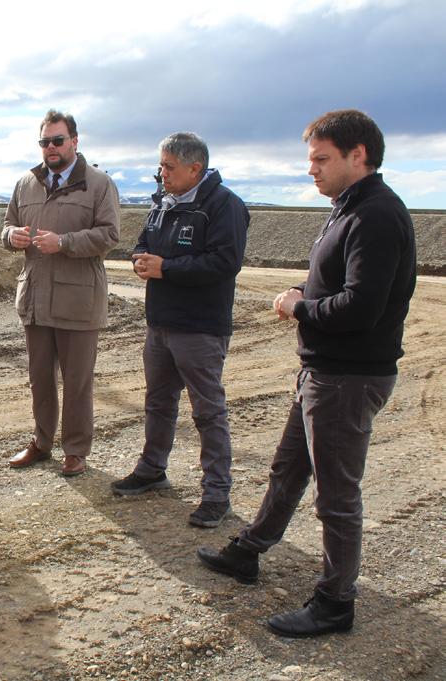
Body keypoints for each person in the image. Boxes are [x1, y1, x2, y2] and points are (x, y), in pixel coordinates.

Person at [197, 110, 417, 637]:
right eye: (311, 159)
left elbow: (361, 307)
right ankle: (249, 551)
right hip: (325, 372)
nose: (311, 169)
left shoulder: (375, 215)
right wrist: (305, 292)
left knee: (336, 497)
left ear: (358, 155)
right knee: (289, 468)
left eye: (321, 159)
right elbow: (338, 282)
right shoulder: (350, 208)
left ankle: (335, 603)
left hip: (348, 377)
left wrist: (299, 307)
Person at [110, 133, 249, 528]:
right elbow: (143, 243)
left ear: (195, 168)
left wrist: (166, 268)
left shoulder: (224, 206)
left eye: (169, 167)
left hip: (200, 328)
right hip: (161, 323)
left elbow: (225, 262)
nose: (162, 174)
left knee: (208, 411)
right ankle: (152, 469)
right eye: (161, 166)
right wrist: (140, 259)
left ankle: (217, 493)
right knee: (158, 402)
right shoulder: (163, 203)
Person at [2, 109, 120, 477]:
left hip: (78, 301)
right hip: (35, 298)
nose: (50, 147)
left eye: (57, 140)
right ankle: (41, 442)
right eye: (44, 142)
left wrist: (65, 242)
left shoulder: (99, 184)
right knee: (39, 378)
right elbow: (7, 225)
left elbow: (109, 235)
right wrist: (11, 236)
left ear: (74, 141)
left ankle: (76, 450)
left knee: (77, 382)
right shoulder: (25, 183)